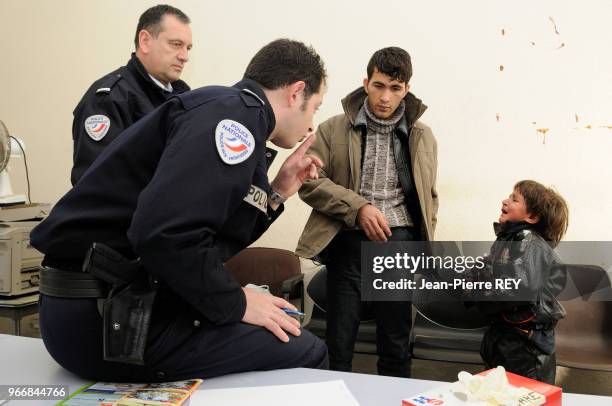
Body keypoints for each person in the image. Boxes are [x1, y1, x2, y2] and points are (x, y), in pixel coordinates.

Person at [31, 38, 328, 382]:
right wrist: (237, 302)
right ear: (296, 92)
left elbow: (209, 243)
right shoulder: (236, 119)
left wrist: (277, 192)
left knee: (279, 323)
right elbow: (163, 235)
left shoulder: (229, 110)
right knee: (307, 350)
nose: (311, 125)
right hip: (104, 323)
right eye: (315, 107)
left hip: (90, 313)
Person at [296, 47, 439, 377]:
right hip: (348, 243)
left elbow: (429, 198)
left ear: (407, 89)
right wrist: (357, 208)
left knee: (395, 345)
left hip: (398, 246)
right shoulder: (333, 129)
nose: (385, 97)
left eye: (395, 88)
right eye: (378, 86)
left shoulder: (423, 136)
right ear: (366, 82)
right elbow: (309, 183)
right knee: (339, 343)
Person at [71, 4, 192, 185]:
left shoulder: (185, 98)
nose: (184, 56)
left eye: (188, 48)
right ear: (144, 41)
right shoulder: (109, 99)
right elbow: (96, 184)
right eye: (176, 45)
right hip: (131, 214)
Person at [475, 180, 569, 384]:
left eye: (514, 199)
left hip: (524, 345)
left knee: (523, 393)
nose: (505, 201)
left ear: (532, 217)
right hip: (504, 336)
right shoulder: (510, 239)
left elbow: (517, 289)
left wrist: (476, 291)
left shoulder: (530, 243)